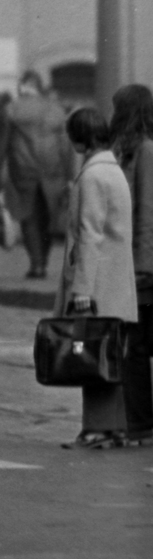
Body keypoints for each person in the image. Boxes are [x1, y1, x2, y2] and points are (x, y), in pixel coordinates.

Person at [59, 106, 137, 449]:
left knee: (90, 356)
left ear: (79, 139)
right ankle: (116, 427)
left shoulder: (91, 175)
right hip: (119, 278)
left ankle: (95, 429)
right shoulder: (113, 169)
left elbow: (89, 235)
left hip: (99, 281)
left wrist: (82, 289)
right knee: (112, 356)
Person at [111, 84, 153, 443]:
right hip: (125, 262)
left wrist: (142, 264)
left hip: (141, 266)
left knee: (136, 345)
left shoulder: (146, 151)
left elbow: (147, 212)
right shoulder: (124, 149)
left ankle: (140, 422)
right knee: (131, 344)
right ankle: (136, 419)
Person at [2, 70, 73, 278]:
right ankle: (44, 261)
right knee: (48, 219)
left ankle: (37, 264)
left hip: (24, 169)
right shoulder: (57, 110)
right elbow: (65, 147)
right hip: (54, 170)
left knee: (30, 217)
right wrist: (69, 176)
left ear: (23, 86)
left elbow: (3, 143)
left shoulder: (12, 109)